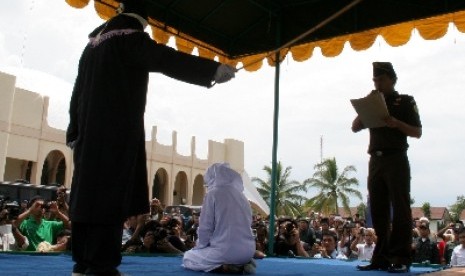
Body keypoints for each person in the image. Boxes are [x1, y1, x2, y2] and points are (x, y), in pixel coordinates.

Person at [65, 0, 236, 274]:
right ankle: (101, 265)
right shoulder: (129, 39)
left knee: (85, 199)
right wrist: (211, 70)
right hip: (115, 135)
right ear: (140, 21)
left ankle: (82, 263)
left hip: (87, 135)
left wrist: (74, 131)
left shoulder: (91, 48)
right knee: (109, 199)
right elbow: (165, 59)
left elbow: (77, 92)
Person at [353, 62, 422, 273]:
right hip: (376, 159)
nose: (378, 83)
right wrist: (367, 103)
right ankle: (381, 257)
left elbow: (417, 131)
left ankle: (401, 258)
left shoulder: (405, 102)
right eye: (375, 80)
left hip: (396, 158)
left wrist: (396, 123)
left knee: (400, 209)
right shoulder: (374, 101)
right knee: (378, 209)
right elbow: (355, 127)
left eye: (381, 79)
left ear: (392, 79)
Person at [182, 163, 256, 274]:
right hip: (248, 251)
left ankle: (223, 267)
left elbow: (205, 227)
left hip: (226, 252)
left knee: (188, 257)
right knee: (226, 254)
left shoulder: (213, 194)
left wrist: (199, 247)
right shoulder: (243, 197)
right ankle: (242, 264)